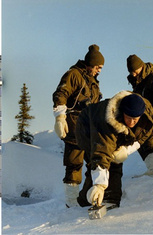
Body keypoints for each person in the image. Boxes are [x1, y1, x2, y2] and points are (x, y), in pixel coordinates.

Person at [75, 91, 153, 208]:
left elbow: (144, 135)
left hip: (117, 131)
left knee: (116, 162)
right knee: (99, 163)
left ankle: (111, 200)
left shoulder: (147, 114)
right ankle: (86, 200)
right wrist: (99, 185)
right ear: (122, 112)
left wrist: (127, 149)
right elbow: (101, 152)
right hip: (89, 129)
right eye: (128, 118)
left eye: (135, 119)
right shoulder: (107, 120)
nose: (132, 122)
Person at [52, 44, 105, 207]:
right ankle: (71, 201)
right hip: (74, 130)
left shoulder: (93, 82)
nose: (99, 71)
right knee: (74, 165)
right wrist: (60, 117)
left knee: (94, 164)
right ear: (90, 64)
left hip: (91, 130)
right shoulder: (73, 75)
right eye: (98, 67)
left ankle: (89, 197)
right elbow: (60, 94)